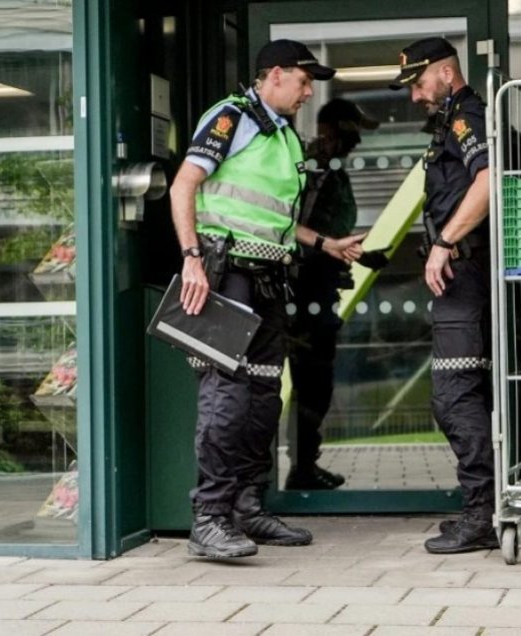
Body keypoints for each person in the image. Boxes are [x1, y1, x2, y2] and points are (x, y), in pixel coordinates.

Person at [169, 39, 365, 559]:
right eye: (304, 81)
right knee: (226, 397)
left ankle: (246, 508)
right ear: (274, 75)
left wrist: (325, 243)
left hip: (269, 280)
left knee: (261, 398)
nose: (309, 91)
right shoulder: (231, 118)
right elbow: (183, 186)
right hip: (224, 274)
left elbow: (275, 215)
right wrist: (192, 257)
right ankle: (208, 518)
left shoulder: (282, 135)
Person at [391, 37, 497, 554]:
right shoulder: (454, 119)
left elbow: (488, 181)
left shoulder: (466, 118)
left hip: (466, 271)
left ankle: (481, 515)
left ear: (445, 73)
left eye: (417, 82)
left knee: (454, 396)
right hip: (468, 273)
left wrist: (446, 242)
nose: (414, 95)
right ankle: (487, 508)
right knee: (470, 395)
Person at [285, 98, 380, 490]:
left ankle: (305, 464)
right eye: (354, 132)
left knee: (316, 382)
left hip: (320, 284)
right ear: (337, 129)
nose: (358, 143)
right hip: (304, 290)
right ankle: (301, 468)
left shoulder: (332, 170)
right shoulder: (316, 168)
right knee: (311, 381)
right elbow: (292, 225)